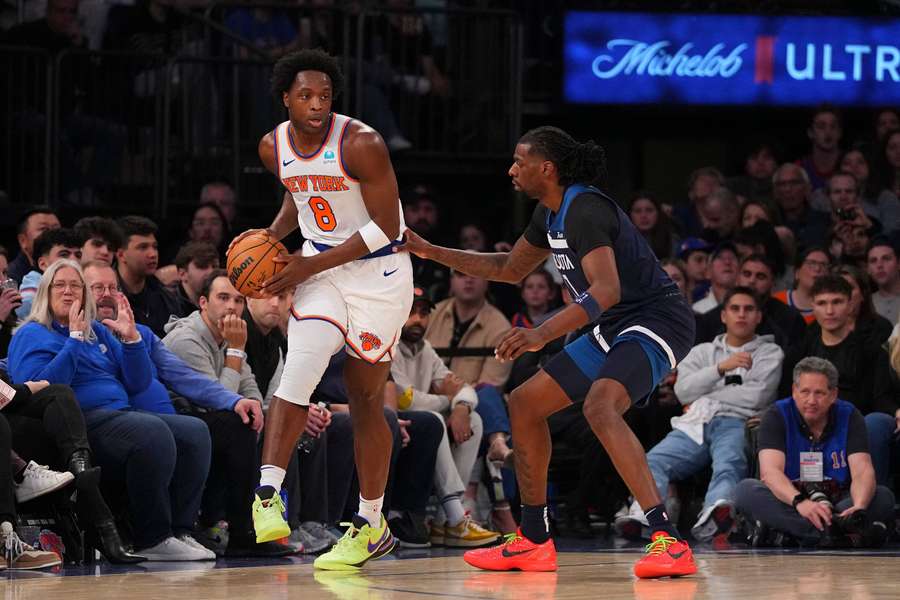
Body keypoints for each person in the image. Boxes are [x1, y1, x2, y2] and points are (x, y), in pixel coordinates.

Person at [400, 126, 698, 577]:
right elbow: (508, 268)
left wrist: (541, 334)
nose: (511, 170)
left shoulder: (586, 209)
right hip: (613, 325)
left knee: (600, 406)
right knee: (524, 403)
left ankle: (667, 539)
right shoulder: (549, 212)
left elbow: (608, 290)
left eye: (520, 161)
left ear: (548, 168)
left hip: (656, 319)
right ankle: (534, 539)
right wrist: (429, 250)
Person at [228, 49, 413, 571]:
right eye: (306, 96)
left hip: (380, 276)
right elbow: (300, 196)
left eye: (325, 96)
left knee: (365, 399)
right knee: (301, 363)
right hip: (322, 270)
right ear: (285, 98)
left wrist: (309, 265)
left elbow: (387, 227)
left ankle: (372, 523)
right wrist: (272, 236)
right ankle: (268, 494)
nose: (316, 105)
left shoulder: (362, 144)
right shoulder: (273, 147)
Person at [7, 259, 214, 561]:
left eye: (75, 285)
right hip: (75, 424)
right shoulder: (32, 333)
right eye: (59, 285)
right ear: (44, 293)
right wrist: (74, 341)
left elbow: (138, 382)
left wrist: (132, 341)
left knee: (195, 431)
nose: (68, 292)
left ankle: (180, 530)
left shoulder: (99, 332)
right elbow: (44, 391)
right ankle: (152, 537)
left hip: (120, 414)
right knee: (151, 432)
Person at [617, 287, 783, 542]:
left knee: (729, 462)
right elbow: (683, 391)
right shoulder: (701, 352)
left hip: (736, 421)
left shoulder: (769, 353)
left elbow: (757, 396)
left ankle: (716, 513)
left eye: (748, 309)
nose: (741, 315)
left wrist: (705, 395)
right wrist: (719, 369)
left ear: (758, 316)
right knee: (653, 460)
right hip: (696, 422)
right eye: (735, 309)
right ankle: (646, 516)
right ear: (723, 315)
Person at [734, 357, 894, 548]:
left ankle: (792, 534)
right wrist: (800, 503)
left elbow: (862, 470)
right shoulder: (776, 415)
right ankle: (837, 533)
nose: (811, 401)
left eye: (819, 393)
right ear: (794, 391)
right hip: (791, 500)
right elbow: (770, 473)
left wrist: (858, 507)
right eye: (805, 392)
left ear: (833, 394)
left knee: (883, 496)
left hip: (838, 502)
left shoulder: (850, 415)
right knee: (745, 491)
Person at [390, 285, 500, 548]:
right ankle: (456, 517)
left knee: (473, 420)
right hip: (396, 424)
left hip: (422, 426)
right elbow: (405, 399)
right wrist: (449, 401)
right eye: (411, 312)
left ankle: (445, 522)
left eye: (424, 313)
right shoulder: (388, 345)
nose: (418, 319)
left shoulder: (425, 349)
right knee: (435, 420)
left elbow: (466, 390)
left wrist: (461, 407)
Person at [694, 254, 807, 350]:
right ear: (738, 278)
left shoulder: (791, 320)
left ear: (772, 282)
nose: (752, 281)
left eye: (760, 276)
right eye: (747, 274)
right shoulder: (710, 320)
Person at [116, 216, 181, 338]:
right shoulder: (107, 298)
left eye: (155, 247)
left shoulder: (167, 299)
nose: (153, 254)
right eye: (143, 247)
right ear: (121, 254)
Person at [16, 228, 84, 320]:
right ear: (43, 264)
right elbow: (25, 313)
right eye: (64, 255)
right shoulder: (33, 280)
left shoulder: (83, 282)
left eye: (78, 255)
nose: (74, 260)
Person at [772, 247, 832, 324]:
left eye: (823, 265)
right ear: (797, 272)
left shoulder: (830, 308)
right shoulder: (777, 300)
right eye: (811, 263)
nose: (817, 269)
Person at [7, 207, 61, 285]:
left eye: (56, 229)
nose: (53, 234)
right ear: (23, 240)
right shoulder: (12, 277)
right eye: (44, 229)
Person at [796, 104, 843, 192]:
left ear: (839, 132)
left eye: (833, 126)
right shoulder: (799, 169)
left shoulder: (850, 165)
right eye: (821, 127)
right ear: (810, 133)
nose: (828, 132)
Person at [172, 241, 220, 318]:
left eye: (215, 266)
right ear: (183, 274)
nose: (211, 272)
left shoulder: (224, 302)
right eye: (202, 266)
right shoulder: (167, 306)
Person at [692, 243, 739, 315]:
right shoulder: (697, 310)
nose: (727, 262)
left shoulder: (748, 308)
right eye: (720, 258)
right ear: (708, 272)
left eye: (732, 258)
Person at [867, 238, 900, 324]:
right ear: (868, 269)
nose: (879, 265)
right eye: (873, 261)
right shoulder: (865, 304)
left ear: (898, 264)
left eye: (886, 259)